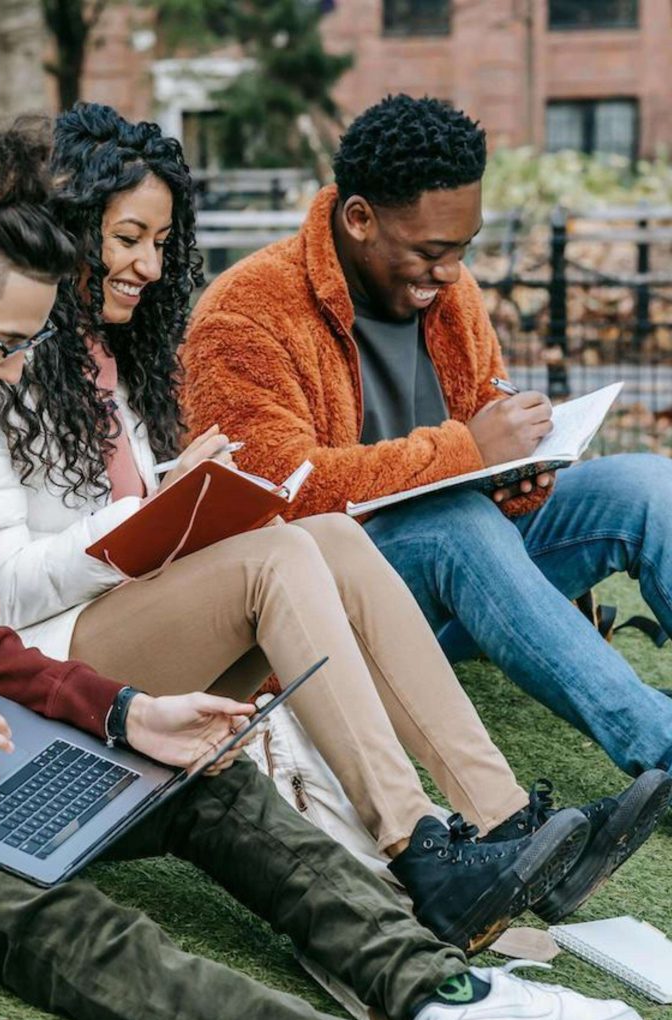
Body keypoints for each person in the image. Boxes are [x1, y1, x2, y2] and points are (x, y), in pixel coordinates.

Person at [0, 113, 634, 1020]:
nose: (3, 375)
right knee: (52, 919)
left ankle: (441, 992)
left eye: (23, 349)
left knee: (206, 781)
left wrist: (127, 714)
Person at [0, 102, 659, 962]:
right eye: (126, 239)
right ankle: (421, 847)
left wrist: (184, 504)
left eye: (159, 242)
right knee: (294, 546)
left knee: (327, 539)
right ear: (66, 230)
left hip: (140, 610)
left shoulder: (122, 356)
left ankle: (499, 821)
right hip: (50, 657)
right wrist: (147, 518)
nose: (148, 265)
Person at [180, 93, 672, 912]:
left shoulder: (447, 286)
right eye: (433, 251)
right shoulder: (244, 313)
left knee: (647, 484)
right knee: (453, 523)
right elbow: (269, 498)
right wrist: (466, 454)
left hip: (469, 563)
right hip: (341, 603)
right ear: (362, 218)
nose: (450, 273)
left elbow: (483, 404)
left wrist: (521, 470)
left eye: (465, 248)